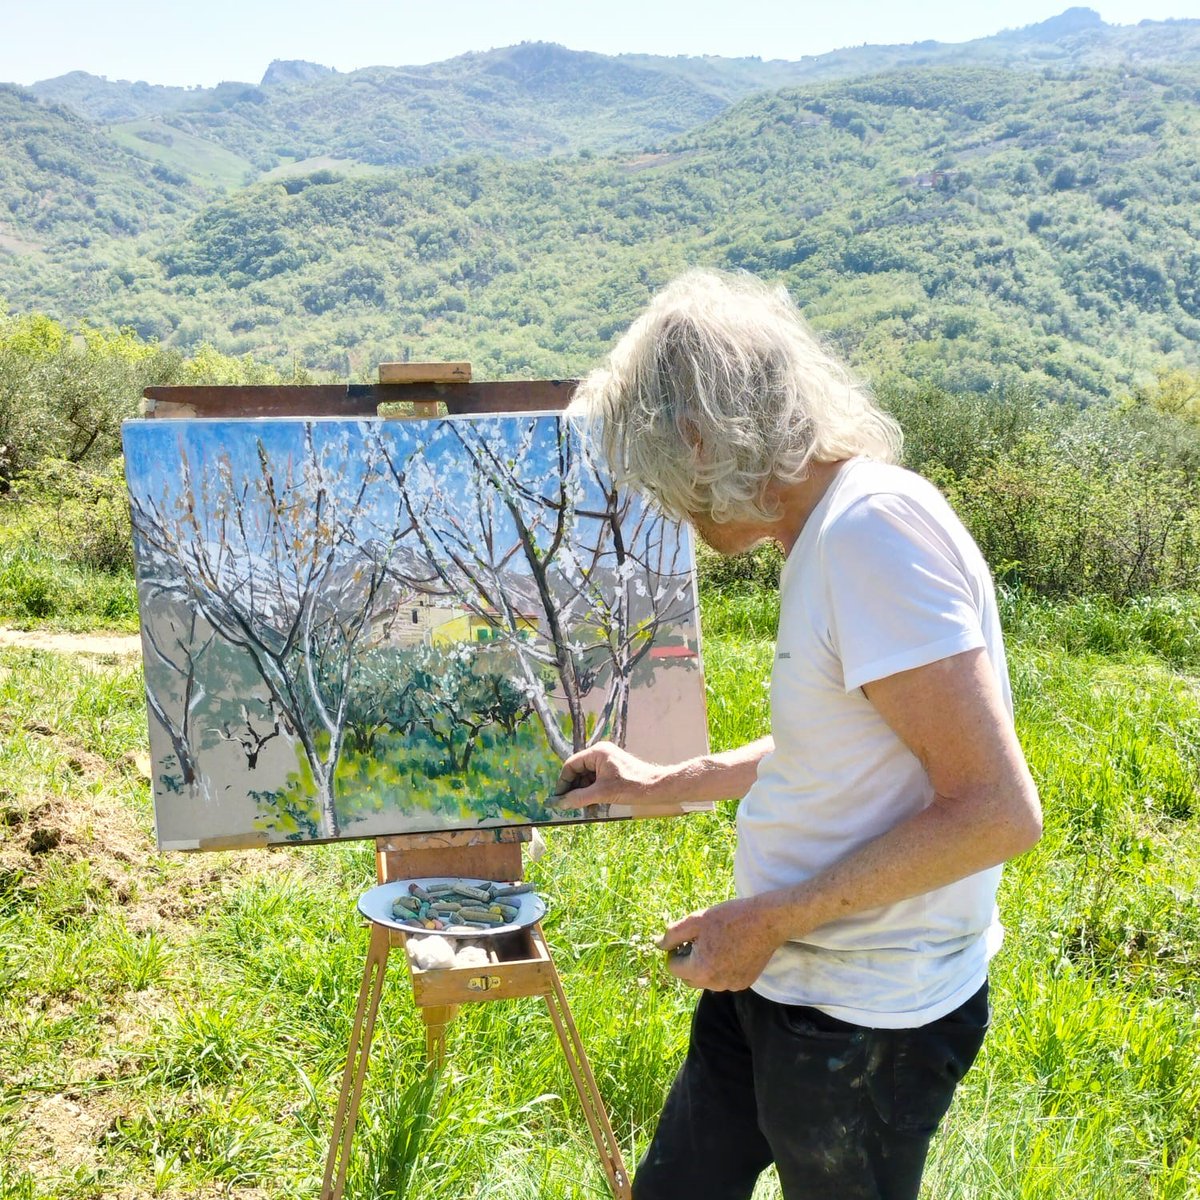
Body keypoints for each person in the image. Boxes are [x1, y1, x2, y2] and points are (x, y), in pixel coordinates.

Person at [553, 270, 1042, 1200]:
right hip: (781, 978)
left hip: (863, 1021)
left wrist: (769, 919)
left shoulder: (870, 535)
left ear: (706, 436)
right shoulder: (830, 532)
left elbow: (996, 812)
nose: (674, 509)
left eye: (666, 471)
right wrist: (663, 783)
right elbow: (860, 752)